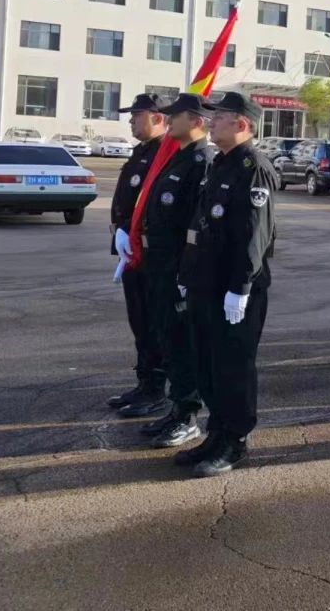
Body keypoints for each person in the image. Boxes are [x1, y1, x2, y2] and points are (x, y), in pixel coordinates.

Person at [174, 91, 278, 477]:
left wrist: (241, 287)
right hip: (207, 283)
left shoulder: (253, 167)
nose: (211, 122)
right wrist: (187, 276)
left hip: (234, 290)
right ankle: (216, 433)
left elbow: (254, 235)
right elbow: (202, 226)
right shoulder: (221, 163)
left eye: (219, 118)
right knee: (208, 363)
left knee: (233, 366)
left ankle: (235, 441)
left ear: (242, 124)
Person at [130, 94, 215, 449]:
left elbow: (198, 225)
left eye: (175, 116)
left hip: (178, 269)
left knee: (183, 343)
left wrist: (186, 273)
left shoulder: (201, 161)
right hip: (160, 265)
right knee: (167, 338)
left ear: (196, 121)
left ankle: (188, 416)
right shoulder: (177, 156)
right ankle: (176, 408)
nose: (168, 121)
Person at [107, 92, 168, 417]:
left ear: (158, 118)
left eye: (137, 115)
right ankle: (144, 383)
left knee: (153, 323)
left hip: (149, 253)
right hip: (131, 250)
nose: (131, 121)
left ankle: (157, 389)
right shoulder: (142, 151)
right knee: (139, 322)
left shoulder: (165, 154)